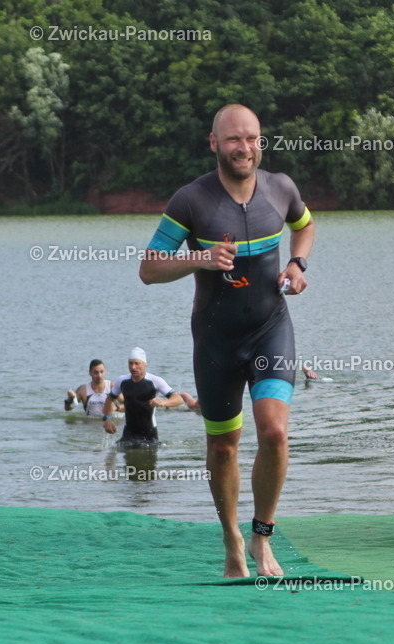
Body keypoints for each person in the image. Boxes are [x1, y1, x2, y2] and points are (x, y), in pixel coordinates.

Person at [140, 104, 315, 578]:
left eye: (253, 138)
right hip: (216, 339)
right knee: (223, 447)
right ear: (214, 143)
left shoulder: (281, 188)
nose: (245, 148)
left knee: (275, 432)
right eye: (234, 139)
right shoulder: (191, 201)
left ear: (262, 142)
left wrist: (298, 266)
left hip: (270, 327)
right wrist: (198, 257)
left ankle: (262, 536)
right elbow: (149, 268)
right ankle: (231, 538)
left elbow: (305, 226)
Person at [101, 347, 182, 444]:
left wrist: (162, 402)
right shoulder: (122, 381)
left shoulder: (155, 381)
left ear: (145, 364)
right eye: (130, 363)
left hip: (149, 434)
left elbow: (178, 399)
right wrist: (107, 419)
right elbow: (110, 399)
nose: (133, 367)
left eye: (136, 363)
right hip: (128, 433)